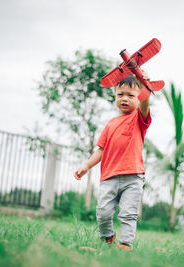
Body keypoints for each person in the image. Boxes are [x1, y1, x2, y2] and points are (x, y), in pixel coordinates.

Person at [73, 72, 151, 250]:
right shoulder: (110, 124)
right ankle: (107, 237)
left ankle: (125, 244)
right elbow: (100, 149)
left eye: (131, 95)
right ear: (114, 96)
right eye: (120, 94)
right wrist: (86, 165)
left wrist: (143, 83)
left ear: (139, 98)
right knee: (103, 211)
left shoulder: (139, 118)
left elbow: (146, 102)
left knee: (128, 213)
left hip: (133, 177)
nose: (125, 98)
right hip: (109, 176)